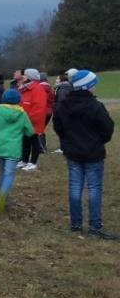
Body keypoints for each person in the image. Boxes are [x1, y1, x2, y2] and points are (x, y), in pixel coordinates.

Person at [54, 70, 116, 239]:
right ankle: (95, 226)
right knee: (94, 188)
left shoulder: (63, 106)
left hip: (72, 152)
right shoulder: (96, 107)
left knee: (75, 187)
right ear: (88, 86)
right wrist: (97, 141)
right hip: (93, 153)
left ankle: (76, 224)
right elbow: (107, 129)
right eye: (93, 84)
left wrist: (67, 142)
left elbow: (58, 127)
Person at [0, 88, 34, 215]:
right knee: (9, 174)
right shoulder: (22, 114)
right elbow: (30, 131)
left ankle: (1, 195)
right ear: (18, 100)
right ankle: (4, 196)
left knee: (2, 173)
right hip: (13, 149)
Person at [17, 68, 48, 171]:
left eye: (25, 75)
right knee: (25, 141)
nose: (22, 77)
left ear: (30, 77)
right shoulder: (25, 89)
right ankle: (24, 160)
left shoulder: (37, 89)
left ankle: (33, 163)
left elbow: (38, 108)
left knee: (34, 141)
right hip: (25, 120)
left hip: (33, 122)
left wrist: (28, 120)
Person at [52, 70, 75, 154]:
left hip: (61, 113)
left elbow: (61, 101)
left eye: (57, 79)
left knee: (62, 130)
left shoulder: (62, 89)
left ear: (61, 80)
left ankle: (63, 147)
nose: (56, 80)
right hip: (65, 112)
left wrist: (56, 109)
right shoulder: (66, 87)